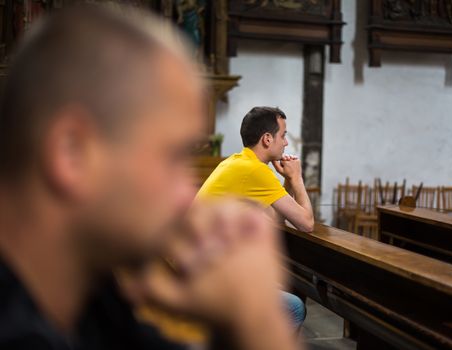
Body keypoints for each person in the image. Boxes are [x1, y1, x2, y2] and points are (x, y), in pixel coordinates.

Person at [0, 5, 301, 350]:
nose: (187, 196)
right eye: (172, 157)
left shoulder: (91, 289)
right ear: (71, 152)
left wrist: (239, 315)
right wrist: (259, 318)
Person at [196, 107, 315, 329]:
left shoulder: (237, 162)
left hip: (198, 268)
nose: (286, 143)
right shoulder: (255, 170)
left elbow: (275, 222)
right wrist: (297, 178)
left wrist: (287, 181)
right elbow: (307, 224)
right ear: (267, 139)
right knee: (293, 307)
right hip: (202, 279)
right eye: (284, 135)